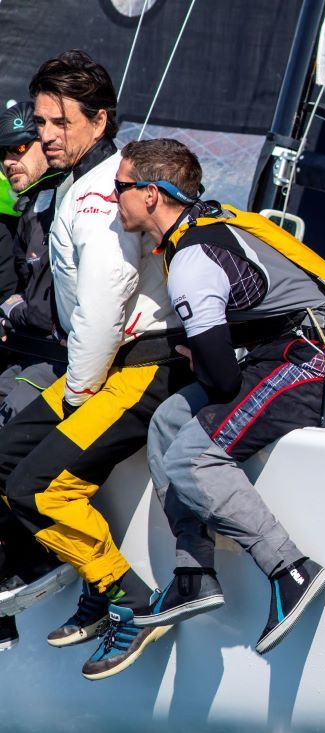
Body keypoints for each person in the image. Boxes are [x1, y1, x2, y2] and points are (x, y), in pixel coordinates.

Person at [115, 138, 325, 666]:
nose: (115, 198)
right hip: (282, 354)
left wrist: (199, 355)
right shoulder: (201, 227)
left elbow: (222, 381)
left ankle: (291, 570)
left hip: (317, 363)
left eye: (121, 187)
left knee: (192, 458)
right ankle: (193, 573)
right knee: (168, 423)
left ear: (151, 195)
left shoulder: (192, 260)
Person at [0, 51, 189, 680]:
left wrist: (77, 395)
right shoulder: (79, 182)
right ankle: (79, 579)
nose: (47, 135)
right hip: (104, 365)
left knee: (36, 485)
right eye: (41, 122)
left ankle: (129, 599)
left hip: (138, 368)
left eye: (61, 122)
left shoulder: (99, 197)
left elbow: (104, 306)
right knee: (4, 458)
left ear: (99, 121)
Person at [0, 101, 66, 425]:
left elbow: (39, 311)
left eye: (20, 148)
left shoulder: (68, 197)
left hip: (68, 360)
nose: (9, 161)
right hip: (34, 349)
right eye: (3, 153)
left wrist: (11, 310)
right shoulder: (33, 207)